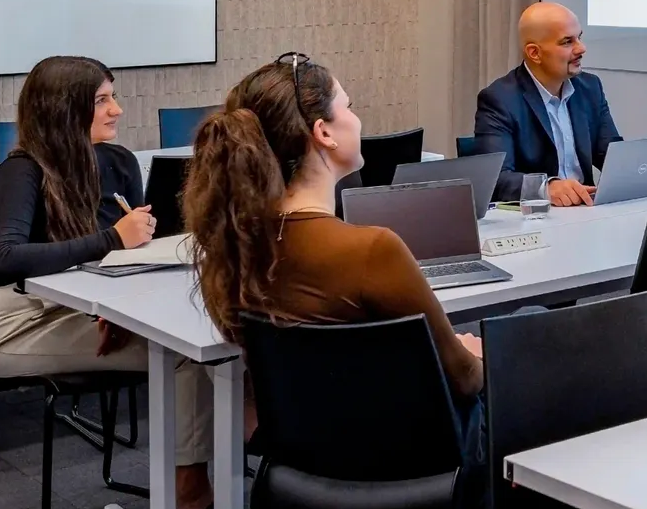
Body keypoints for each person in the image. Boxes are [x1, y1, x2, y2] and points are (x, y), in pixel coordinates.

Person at [0, 56, 212, 509]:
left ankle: (237, 473)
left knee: (211, 345)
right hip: (19, 323)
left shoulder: (119, 161)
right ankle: (189, 492)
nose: (117, 109)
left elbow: (128, 262)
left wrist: (119, 308)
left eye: (113, 96)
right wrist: (112, 239)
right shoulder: (22, 171)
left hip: (87, 309)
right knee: (185, 353)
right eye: (102, 100)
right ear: (64, 109)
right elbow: (3, 260)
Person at [186, 54, 485, 405]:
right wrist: (478, 355)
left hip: (298, 433)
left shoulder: (235, 242)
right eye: (349, 107)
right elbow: (465, 379)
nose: (357, 120)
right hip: (397, 434)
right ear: (324, 132)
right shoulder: (371, 250)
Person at [474, 2, 622, 205]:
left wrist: (644, 171)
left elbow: (612, 154)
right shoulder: (499, 99)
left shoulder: (590, 87)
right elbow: (496, 179)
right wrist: (546, 187)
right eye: (567, 42)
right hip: (538, 214)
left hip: (588, 209)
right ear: (534, 53)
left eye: (579, 37)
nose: (581, 48)